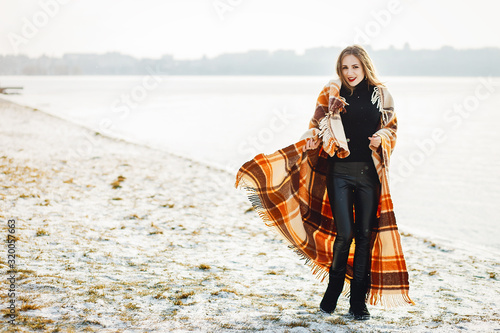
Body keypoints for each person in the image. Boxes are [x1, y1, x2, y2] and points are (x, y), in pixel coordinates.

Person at [305, 45, 391, 320]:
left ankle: (358, 303)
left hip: (369, 174)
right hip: (338, 172)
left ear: (365, 66)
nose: (350, 72)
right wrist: (312, 137)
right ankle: (332, 294)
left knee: (365, 237)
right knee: (345, 236)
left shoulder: (381, 94)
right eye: (345, 67)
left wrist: (382, 139)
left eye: (355, 66)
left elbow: (392, 129)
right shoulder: (331, 91)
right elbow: (315, 123)